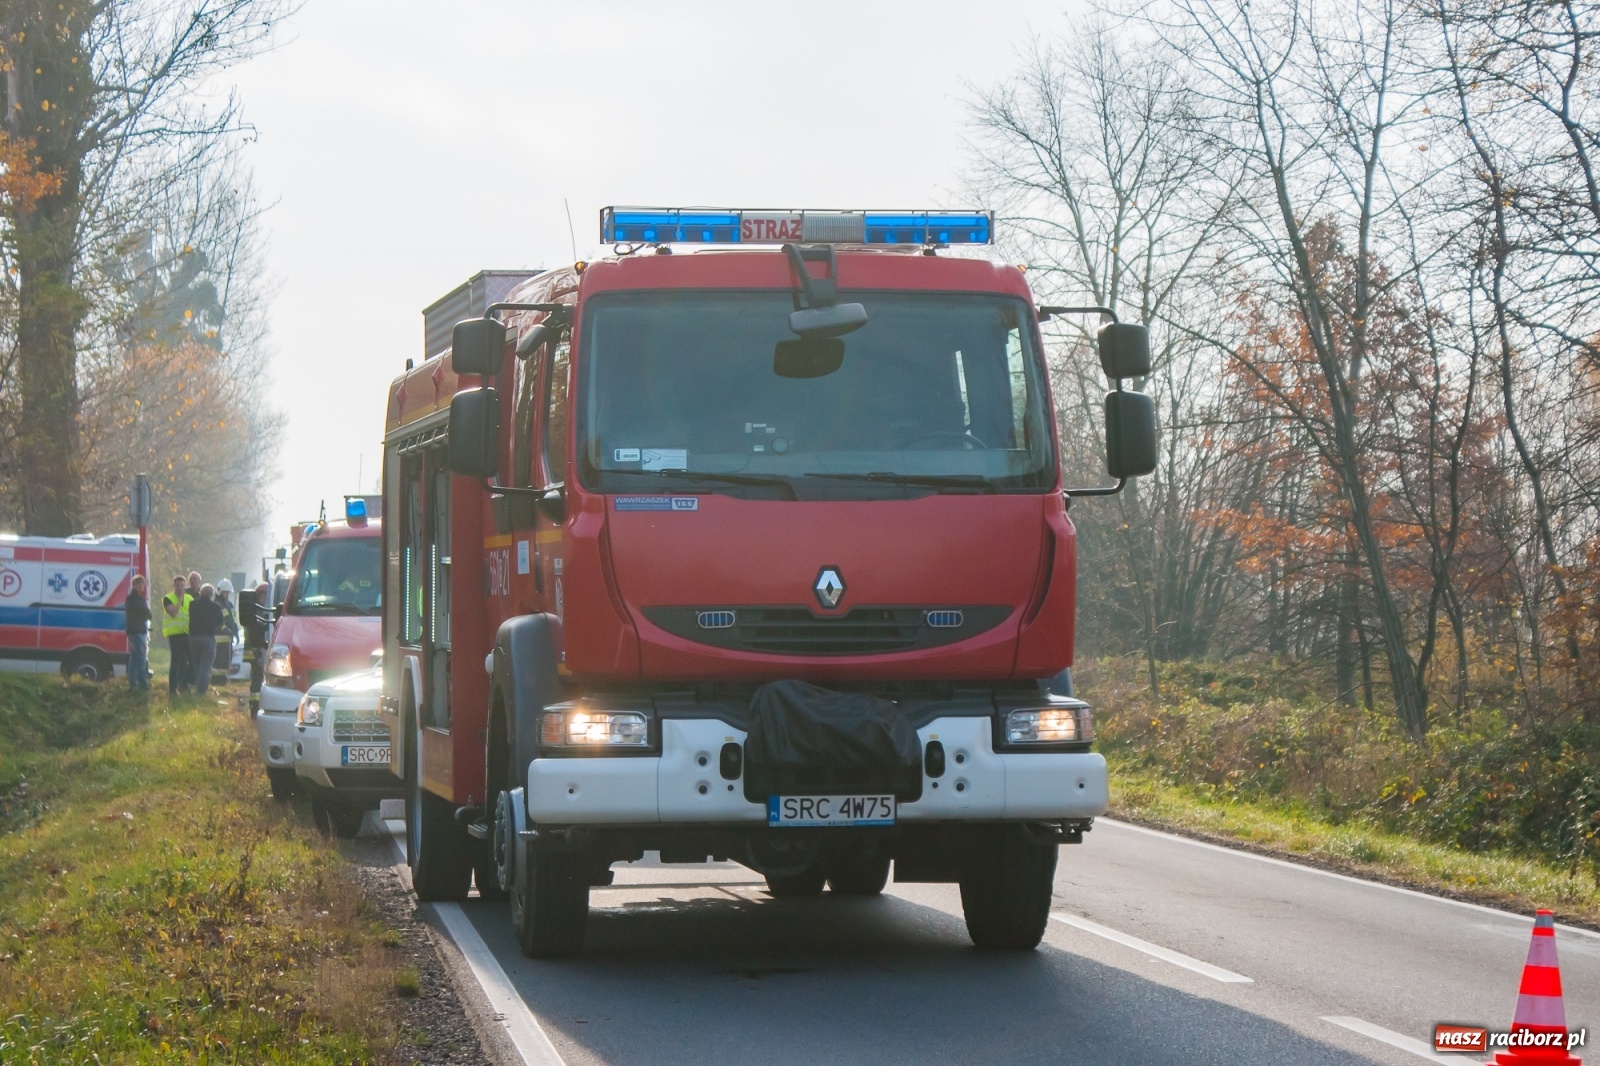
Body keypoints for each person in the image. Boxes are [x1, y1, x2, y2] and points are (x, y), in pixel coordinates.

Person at [188, 584, 223, 696]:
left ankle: (197, 685)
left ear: (201, 593)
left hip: (194, 638)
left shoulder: (192, 604)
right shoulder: (216, 607)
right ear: (212, 594)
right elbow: (220, 622)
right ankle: (201, 691)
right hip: (208, 638)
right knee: (206, 666)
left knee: (196, 664)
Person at [162, 574, 193, 696]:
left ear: (185, 586)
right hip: (174, 634)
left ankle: (183, 683)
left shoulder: (190, 598)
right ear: (173, 586)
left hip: (186, 633)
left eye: (182, 586)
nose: (180, 588)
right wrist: (180, 600)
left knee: (189, 660)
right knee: (176, 661)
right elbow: (173, 613)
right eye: (177, 586)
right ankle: (172, 688)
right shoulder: (168, 598)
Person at [245, 580, 273, 712]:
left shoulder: (263, 609)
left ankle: (258, 705)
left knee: (260, 678)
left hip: (260, 648)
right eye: (263, 594)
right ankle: (255, 706)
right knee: (257, 678)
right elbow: (255, 629)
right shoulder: (255, 611)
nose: (265, 597)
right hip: (255, 649)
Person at [123, 574, 151, 693]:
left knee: (134, 658)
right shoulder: (134, 599)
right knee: (141, 658)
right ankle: (142, 683)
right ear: (133, 585)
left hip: (135, 630)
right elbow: (146, 613)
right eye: (138, 583)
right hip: (137, 631)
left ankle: (133, 683)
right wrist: (147, 613)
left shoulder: (136, 598)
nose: (141, 586)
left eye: (142, 584)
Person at [216, 578, 240, 676]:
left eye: (228, 592)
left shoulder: (229, 604)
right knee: (219, 661)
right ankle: (217, 679)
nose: (227, 594)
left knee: (227, 660)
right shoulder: (216, 604)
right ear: (220, 591)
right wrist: (225, 629)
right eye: (226, 592)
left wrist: (236, 631)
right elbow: (217, 622)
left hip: (229, 638)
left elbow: (232, 620)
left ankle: (224, 679)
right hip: (219, 639)